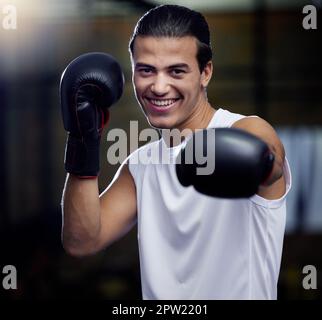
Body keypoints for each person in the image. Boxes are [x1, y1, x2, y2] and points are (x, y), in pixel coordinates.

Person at [60, 5, 291, 300]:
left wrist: (255, 163)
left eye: (176, 71)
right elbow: (81, 241)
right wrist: (83, 138)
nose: (158, 86)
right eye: (146, 70)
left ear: (205, 72)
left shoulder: (245, 128)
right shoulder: (140, 166)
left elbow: (271, 159)